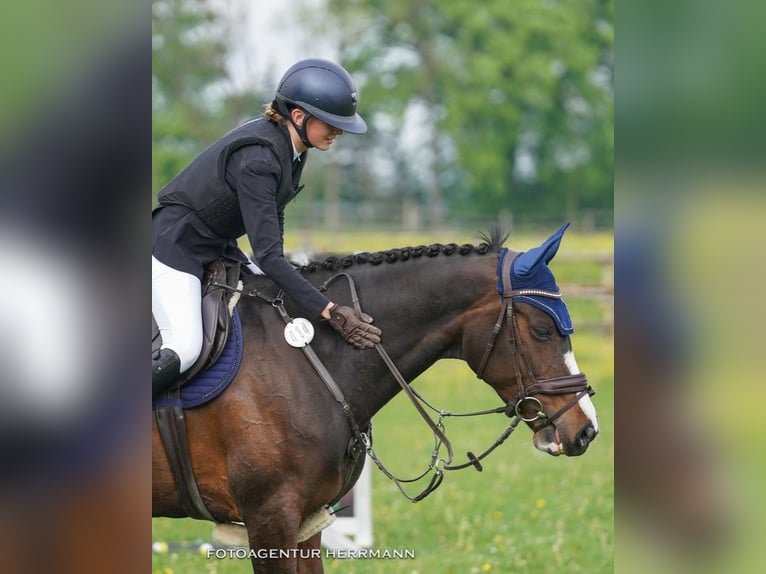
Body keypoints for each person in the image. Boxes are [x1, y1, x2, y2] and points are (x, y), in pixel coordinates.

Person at [152, 58, 382, 396]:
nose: (339, 132)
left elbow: (273, 221)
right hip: (174, 248)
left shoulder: (292, 149)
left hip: (216, 248)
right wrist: (328, 311)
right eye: (331, 123)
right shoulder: (259, 158)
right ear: (299, 117)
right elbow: (269, 255)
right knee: (185, 348)